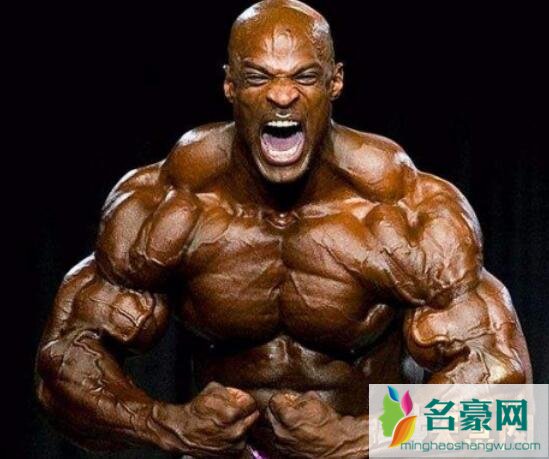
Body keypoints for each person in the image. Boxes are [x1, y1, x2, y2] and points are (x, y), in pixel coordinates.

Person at [35, 1, 532, 457]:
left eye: (305, 76)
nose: (281, 95)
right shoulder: (169, 204)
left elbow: (510, 399)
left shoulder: (400, 210)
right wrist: (170, 425)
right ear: (229, 85)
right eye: (258, 77)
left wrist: (358, 438)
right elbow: (59, 370)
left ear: (335, 82)